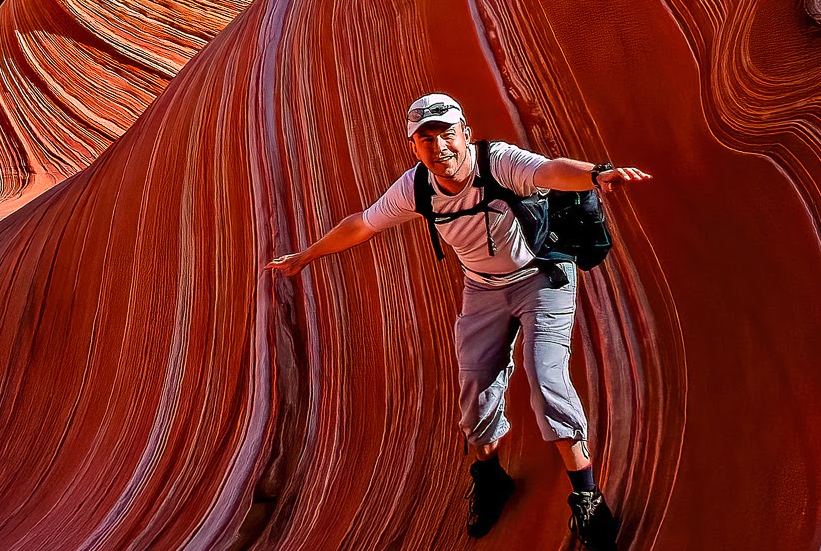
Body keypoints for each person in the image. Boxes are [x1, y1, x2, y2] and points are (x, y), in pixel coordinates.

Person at [264, 93, 653, 550]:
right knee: (475, 387)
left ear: (465, 133)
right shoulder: (416, 188)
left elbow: (549, 171)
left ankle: (587, 497)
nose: (439, 146)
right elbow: (364, 223)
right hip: (483, 289)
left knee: (546, 379)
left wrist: (594, 173)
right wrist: (306, 257)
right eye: (426, 138)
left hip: (541, 277)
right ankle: (490, 477)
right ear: (414, 148)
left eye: (447, 133)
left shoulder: (499, 162)